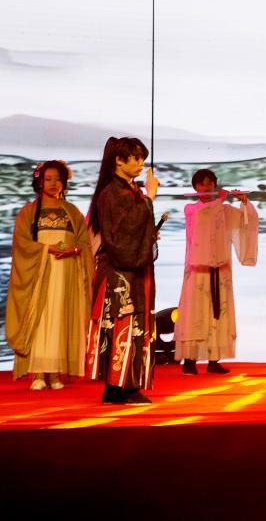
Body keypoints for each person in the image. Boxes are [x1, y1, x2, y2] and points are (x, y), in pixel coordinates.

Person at [85, 137, 161, 405]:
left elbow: (135, 227)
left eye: (142, 159)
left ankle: (117, 387)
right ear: (119, 160)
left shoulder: (129, 191)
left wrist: (148, 233)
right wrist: (149, 198)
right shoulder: (111, 193)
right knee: (123, 324)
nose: (140, 164)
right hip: (121, 272)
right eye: (135, 158)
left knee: (132, 325)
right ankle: (123, 387)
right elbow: (123, 233)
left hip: (133, 270)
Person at [5, 161, 93, 390]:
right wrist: (47, 250)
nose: (54, 183)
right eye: (48, 179)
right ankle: (38, 373)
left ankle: (55, 373)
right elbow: (21, 243)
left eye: (58, 179)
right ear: (40, 182)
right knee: (40, 318)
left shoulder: (72, 212)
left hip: (66, 273)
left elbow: (85, 242)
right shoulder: (29, 212)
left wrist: (74, 250)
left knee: (60, 319)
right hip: (39, 273)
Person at [175, 168, 259, 375]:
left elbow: (247, 222)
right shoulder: (191, 209)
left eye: (210, 183)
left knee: (218, 314)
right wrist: (220, 200)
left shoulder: (225, 209)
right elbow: (203, 217)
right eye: (202, 184)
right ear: (195, 187)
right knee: (195, 314)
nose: (207, 187)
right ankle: (190, 360)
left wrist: (244, 203)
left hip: (220, 270)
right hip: (198, 271)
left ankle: (214, 360)